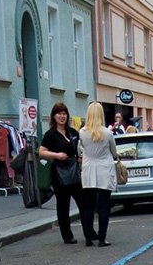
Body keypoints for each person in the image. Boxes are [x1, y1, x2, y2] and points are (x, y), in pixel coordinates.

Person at [38, 102, 83, 245]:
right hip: (59, 174)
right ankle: (67, 236)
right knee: (63, 206)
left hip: (74, 172)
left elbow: (79, 149)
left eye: (64, 114)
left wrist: (80, 157)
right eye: (59, 114)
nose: (62, 116)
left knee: (84, 203)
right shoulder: (50, 134)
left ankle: (89, 231)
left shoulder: (73, 132)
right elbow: (41, 152)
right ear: (54, 116)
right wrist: (56, 155)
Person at [77, 101, 118, 247]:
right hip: (104, 170)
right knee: (103, 206)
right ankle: (102, 238)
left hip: (88, 170)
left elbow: (79, 150)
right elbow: (114, 152)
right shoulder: (107, 133)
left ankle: (89, 237)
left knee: (88, 206)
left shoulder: (82, 132)